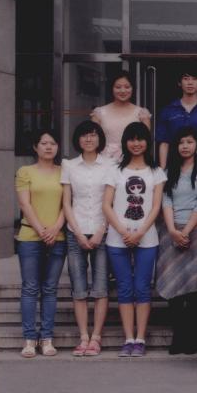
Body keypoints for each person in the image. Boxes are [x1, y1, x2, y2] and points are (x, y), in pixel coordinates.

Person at [102, 122, 167, 358]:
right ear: (125, 142)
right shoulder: (115, 170)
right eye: (132, 139)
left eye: (140, 139)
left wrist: (139, 233)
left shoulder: (156, 172)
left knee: (142, 288)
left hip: (147, 238)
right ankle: (128, 338)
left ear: (147, 142)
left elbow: (156, 206)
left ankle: (140, 339)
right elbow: (106, 205)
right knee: (124, 288)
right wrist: (122, 231)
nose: (136, 143)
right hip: (117, 238)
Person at [60, 121, 112, 357]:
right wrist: (78, 233)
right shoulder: (69, 165)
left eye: (93, 135)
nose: (89, 139)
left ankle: (96, 337)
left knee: (100, 287)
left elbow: (112, 202)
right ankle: (83, 337)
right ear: (78, 140)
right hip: (76, 232)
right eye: (84, 135)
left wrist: (102, 229)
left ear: (100, 138)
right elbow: (67, 202)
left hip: (103, 232)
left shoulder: (110, 165)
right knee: (79, 288)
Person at [15, 129, 67, 358]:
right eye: (44, 143)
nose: (48, 147)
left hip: (58, 237)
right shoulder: (25, 171)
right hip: (29, 237)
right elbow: (25, 204)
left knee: (50, 289)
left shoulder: (64, 172)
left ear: (57, 147)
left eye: (53, 143)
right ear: (35, 147)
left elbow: (68, 204)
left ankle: (46, 338)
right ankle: (29, 339)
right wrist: (41, 230)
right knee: (30, 288)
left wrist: (55, 228)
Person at [158, 127, 197, 355]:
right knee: (173, 283)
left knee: (194, 286)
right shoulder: (169, 171)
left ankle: (191, 338)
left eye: (189, 142)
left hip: (195, 230)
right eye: (181, 142)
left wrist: (186, 231)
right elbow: (166, 201)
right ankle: (178, 337)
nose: (185, 146)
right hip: (170, 231)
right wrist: (172, 230)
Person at [156, 72, 197, 167]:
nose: (190, 83)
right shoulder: (168, 111)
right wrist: (163, 170)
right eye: (186, 79)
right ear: (179, 83)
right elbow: (164, 143)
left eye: (194, 79)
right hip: (173, 168)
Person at [90, 71, 152, 161]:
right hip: (105, 159)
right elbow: (93, 141)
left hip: (132, 160)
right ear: (112, 88)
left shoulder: (142, 113)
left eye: (127, 87)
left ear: (133, 88)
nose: (123, 91)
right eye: (118, 87)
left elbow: (145, 142)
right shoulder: (99, 113)